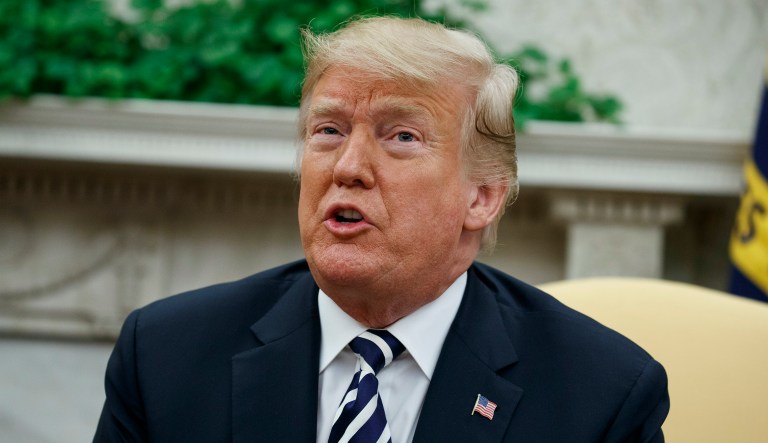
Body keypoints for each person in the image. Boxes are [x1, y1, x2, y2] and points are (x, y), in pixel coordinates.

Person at [94, 16, 669, 443]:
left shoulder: (602, 397)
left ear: (483, 197)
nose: (347, 167)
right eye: (328, 130)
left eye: (402, 137)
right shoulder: (166, 356)